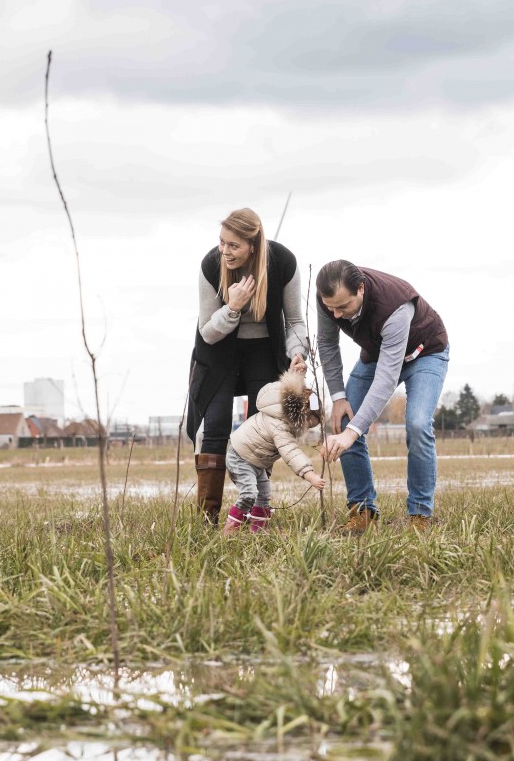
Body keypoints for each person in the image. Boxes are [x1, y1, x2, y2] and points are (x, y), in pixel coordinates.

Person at [187, 208, 308, 523]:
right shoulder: (210, 266)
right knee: (214, 424)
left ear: (253, 245)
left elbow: (295, 322)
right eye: (222, 242)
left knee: (262, 428)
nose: (224, 251)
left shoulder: (283, 262)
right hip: (218, 352)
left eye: (233, 245)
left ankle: (257, 510)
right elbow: (208, 332)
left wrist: (298, 353)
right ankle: (208, 515)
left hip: (264, 350)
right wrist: (233, 306)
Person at [316, 259, 449, 533]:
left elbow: (386, 379)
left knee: (417, 423)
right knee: (344, 419)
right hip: (377, 354)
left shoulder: (395, 306)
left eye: (343, 307)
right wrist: (339, 397)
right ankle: (363, 511)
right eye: (331, 308)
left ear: (361, 290)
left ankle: (420, 516)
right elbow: (327, 344)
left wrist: (352, 433)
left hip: (426, 353)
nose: (337, 315)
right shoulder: (328, 300)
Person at [223, 366, 325, 535]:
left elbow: (302, 395)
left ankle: (259, 531)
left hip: (255, 462)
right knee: (249, 493)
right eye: (310, 423)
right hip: (240, 458)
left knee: (264, 495)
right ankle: (230, 529)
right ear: (302, 414)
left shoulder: (286, 414)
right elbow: (291, 452)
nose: (309, 427)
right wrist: (310, 475)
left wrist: (299, 377)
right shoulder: (280, 424)